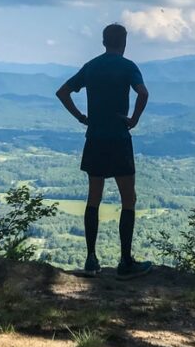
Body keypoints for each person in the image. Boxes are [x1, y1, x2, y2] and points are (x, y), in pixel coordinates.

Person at [56, 23, 153, 279]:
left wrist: (81, 117)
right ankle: (125, 262)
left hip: (95, 138)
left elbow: (62, 92)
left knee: (94, 198)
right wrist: (134, 119)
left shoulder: (91, 66)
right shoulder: (129, 67)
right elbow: (143, 93)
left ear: (103, 42)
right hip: (119, 139)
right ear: (124, 42)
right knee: (128, 199)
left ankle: (90, 260)